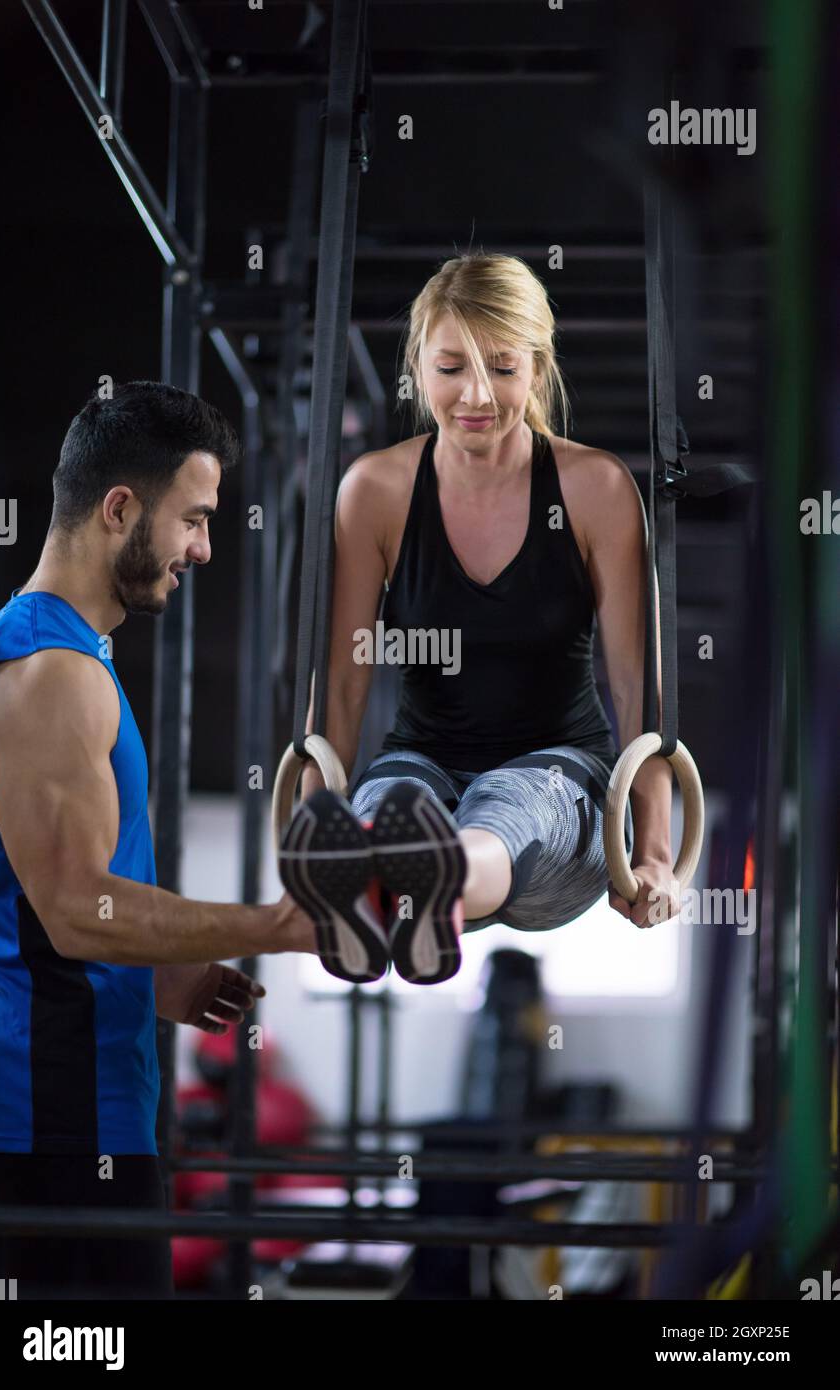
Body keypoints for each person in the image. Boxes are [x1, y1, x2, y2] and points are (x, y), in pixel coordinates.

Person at [0, 381, 314, 1299]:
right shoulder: (50, 673)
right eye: (193, 520)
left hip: (79, 1108)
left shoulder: (65, 658)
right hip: (50, 1122)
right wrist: (279, 923)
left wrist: (163, 977)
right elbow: (80, 910)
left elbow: (34, 899)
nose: (202, 548)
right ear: (121, 507)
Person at [279, 253, 680, 986]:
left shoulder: (595, 489)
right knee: (389, 799)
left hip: (563, 784)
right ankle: (385, 879)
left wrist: (652, 854)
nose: (475, 395)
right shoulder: (375, 489)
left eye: (500, 367)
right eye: (449, 367)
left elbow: (638, 693)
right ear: (417, 367)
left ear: (536, 368)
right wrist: (311, 850)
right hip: (422, 760)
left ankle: (434, 880)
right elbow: (338, 690)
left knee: (505, 806)